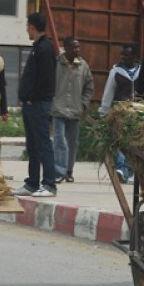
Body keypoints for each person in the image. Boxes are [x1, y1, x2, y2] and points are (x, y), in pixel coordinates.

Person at [14, 13, 58, 198]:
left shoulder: (45, 49)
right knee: (32, 145)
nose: (26, 30)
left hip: (39, 104)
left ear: (32, 27)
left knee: (43, 144)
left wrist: (32, 97)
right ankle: (32, 183)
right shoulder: (37, 47)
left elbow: (46, 79)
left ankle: (49, 184)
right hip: (31, 105)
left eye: (27, 26)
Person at [51, 37, 94, 184]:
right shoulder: (56, 64)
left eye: (78, 47)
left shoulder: (83, 66)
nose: (77, 50)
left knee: (72, 143)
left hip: (75, 110)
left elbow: (89, 87)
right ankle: (59, 171)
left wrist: (83, 104)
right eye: (74, 47)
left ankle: (69, 171)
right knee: (59, 141)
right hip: (58, 109)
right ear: (66, 48)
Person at [99, 44, 141, 183]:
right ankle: (122, 169)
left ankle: (128, 170)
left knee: (134, 143)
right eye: (121, 55)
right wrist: (103, 112)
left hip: (138, 113)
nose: (122, 57)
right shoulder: (116, 72)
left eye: (126, 55)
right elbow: (108, 92)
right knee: (121, 141)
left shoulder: (142, 71)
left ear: (134, 57)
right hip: (120, 113)